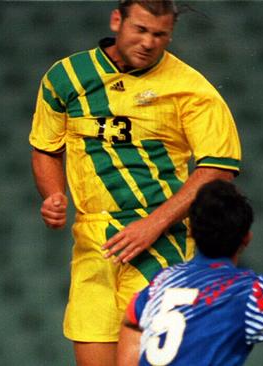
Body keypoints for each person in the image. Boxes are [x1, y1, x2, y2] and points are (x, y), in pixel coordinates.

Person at [29, 1, 241, 365]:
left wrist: (152, 224)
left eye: (159, 35)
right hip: (93, 245)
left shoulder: (191, 89)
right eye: (140, 30)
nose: (148, 42)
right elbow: (47, 146)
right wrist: (53, 195)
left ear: (170, 34)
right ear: (117, 20)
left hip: (161, 244)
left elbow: (217, 170)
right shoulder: (66, 77)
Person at [117, 179, 263, 366]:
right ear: (247, 239)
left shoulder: (164, 279)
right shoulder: (247, 289)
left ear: (191, 231)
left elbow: (131, 320)